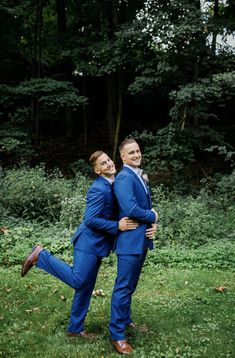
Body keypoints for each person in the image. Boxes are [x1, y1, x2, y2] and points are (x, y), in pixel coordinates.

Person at [21, 151, 139, 338]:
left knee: (85, 286)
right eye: (103, 163)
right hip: (88, 242)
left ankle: (75, 329)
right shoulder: (98, 189)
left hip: (99, 245)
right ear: (97, 170)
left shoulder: (115, 183)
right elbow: (90, 220)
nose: (108, 164)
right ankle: (40, 255)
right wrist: (117, 225)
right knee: (79, 280)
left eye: (108, 160)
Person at [109, 138, 158, 354]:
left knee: (130, 286)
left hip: (141, 241)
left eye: (138, 150)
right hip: (129, 243)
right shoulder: (124, 177)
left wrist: (152, 225)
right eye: (131, 152)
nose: (137, 154)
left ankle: (125, 319)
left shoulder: (138, 175)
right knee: (123, 287)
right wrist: (153, 215)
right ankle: (117, 335)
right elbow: (130, 208)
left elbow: (143, 206)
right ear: (122, 156)